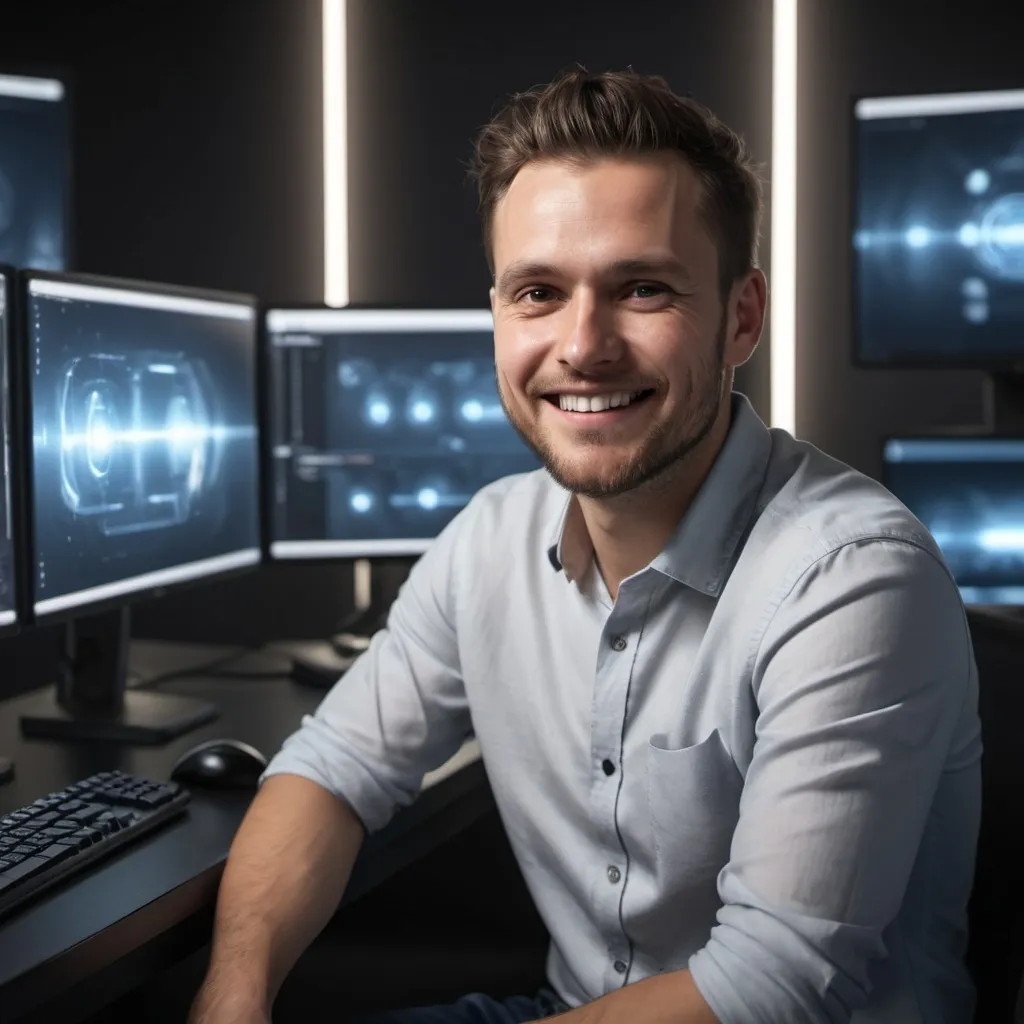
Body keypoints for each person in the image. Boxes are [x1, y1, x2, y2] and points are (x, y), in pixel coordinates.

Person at [189, 68, 982, 1024]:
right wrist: (231, 1000)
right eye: (538, 292)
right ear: (497, 315)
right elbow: (328, 771)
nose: (582, 344)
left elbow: (771, 990)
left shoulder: (852, 580)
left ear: (742, 317)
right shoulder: (489, 538)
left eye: (642, 288)